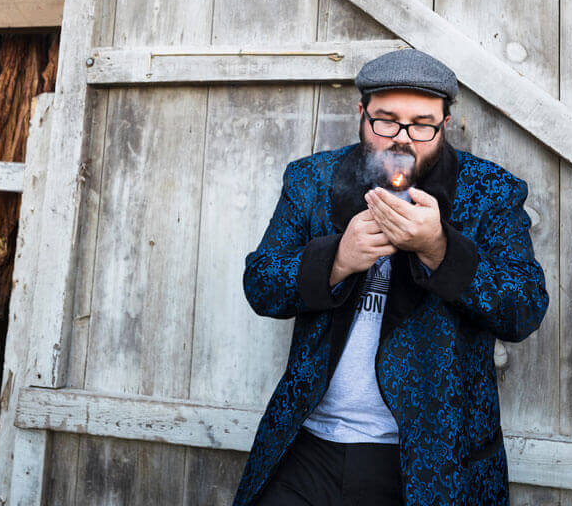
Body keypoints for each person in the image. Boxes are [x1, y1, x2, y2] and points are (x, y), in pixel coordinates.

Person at [233, 48, 549, 506]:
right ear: (362, 114)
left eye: (422, 124)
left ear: (446, 122)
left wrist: (439, 248)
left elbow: (524, 309)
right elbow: (260, 284)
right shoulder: (311, 180)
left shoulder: (491, 192)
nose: (403, 139)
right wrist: (336, 260)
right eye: (387, 120)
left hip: (428, 463)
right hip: (306, 447)